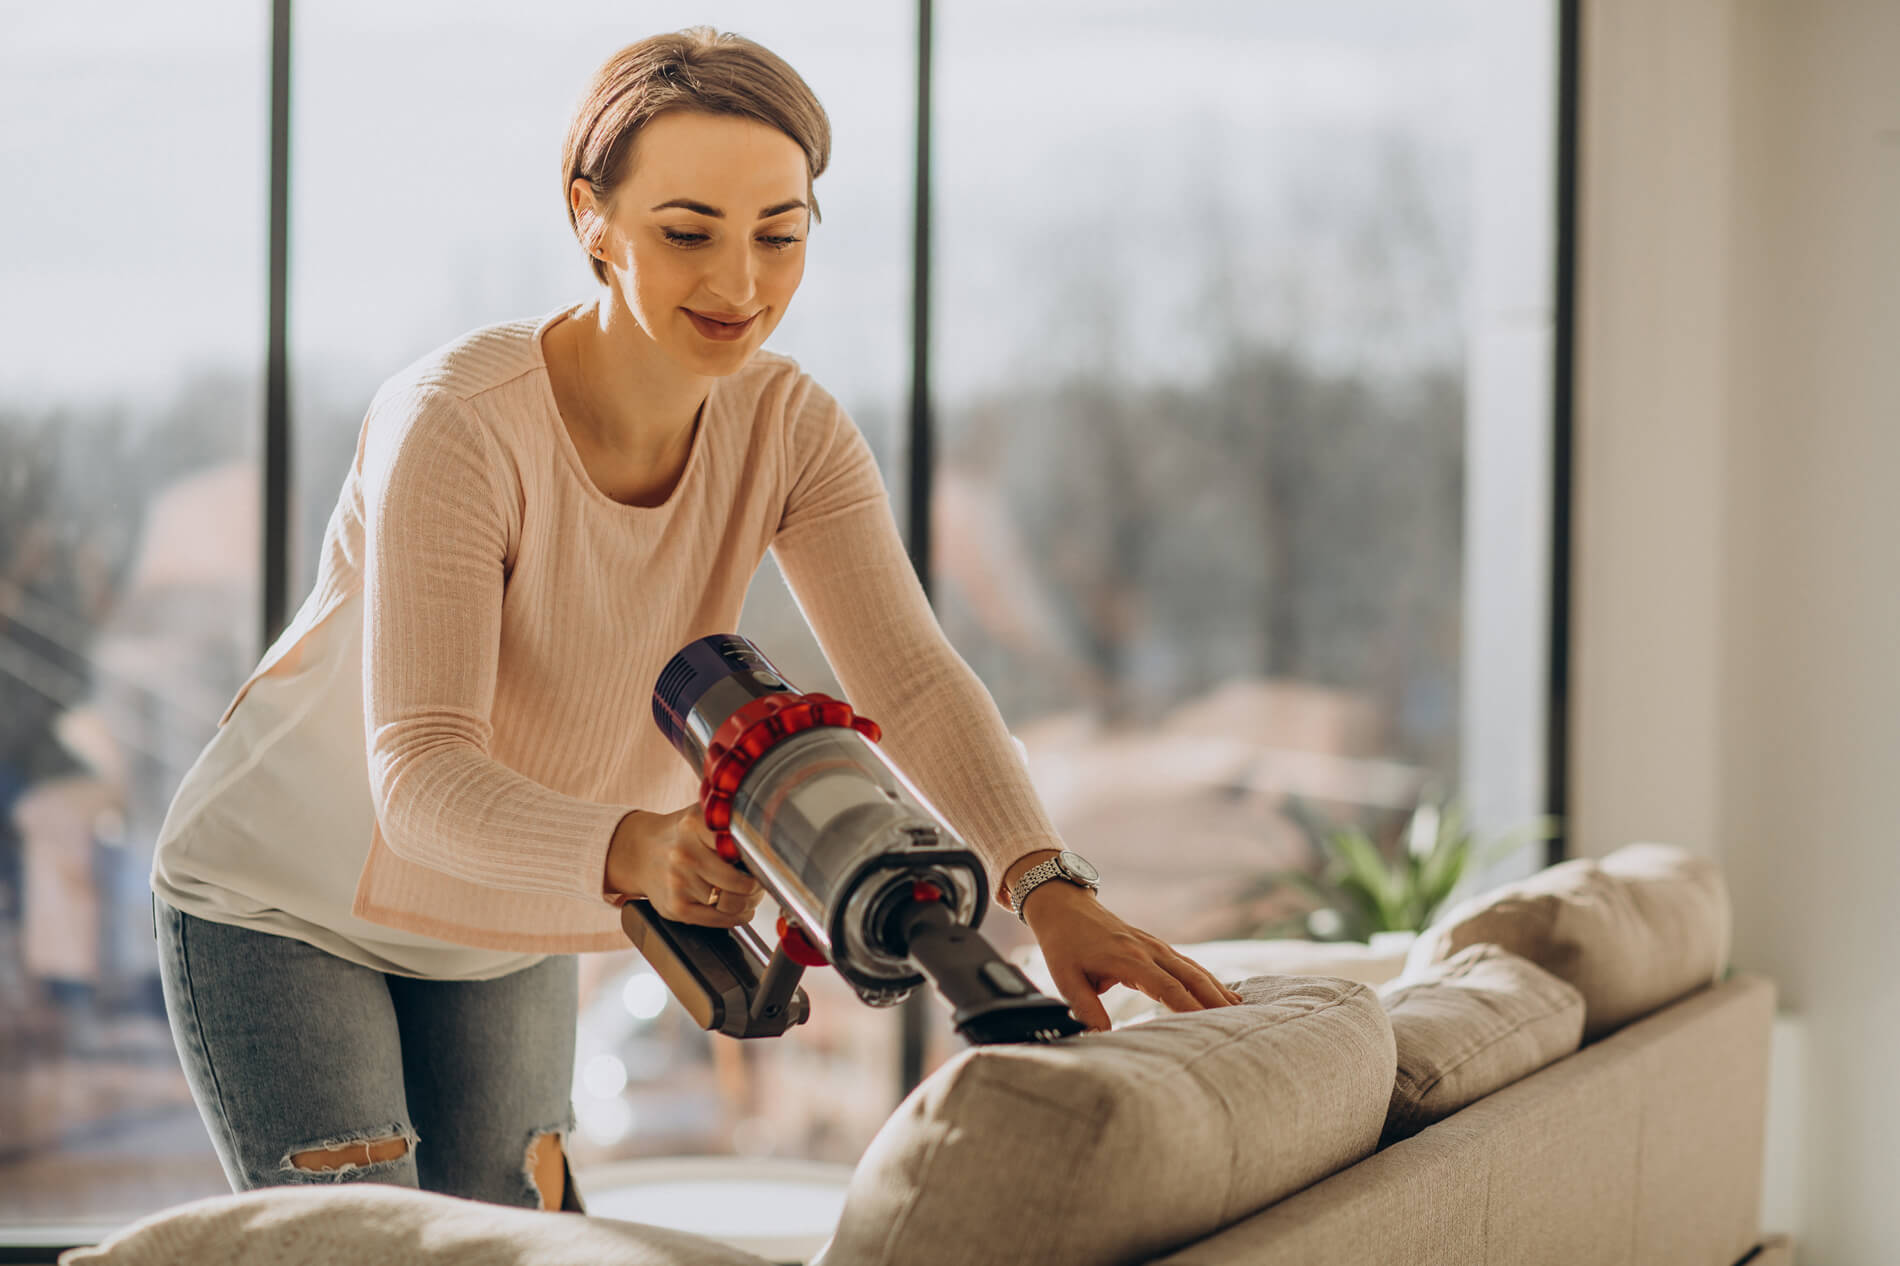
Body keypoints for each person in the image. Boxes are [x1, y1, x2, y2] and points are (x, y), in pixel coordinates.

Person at [148, 26, 1242, 1215]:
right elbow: (418, 772)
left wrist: (1047, 885)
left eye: (779, 235)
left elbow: (913, 684)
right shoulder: (458, 423)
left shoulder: (790, 429)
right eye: (687, 233)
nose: (739, 284)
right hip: (283, 903)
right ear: (592, 220)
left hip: (511, 916)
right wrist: (635, 848)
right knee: (369, 1253)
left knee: (520, 1249)